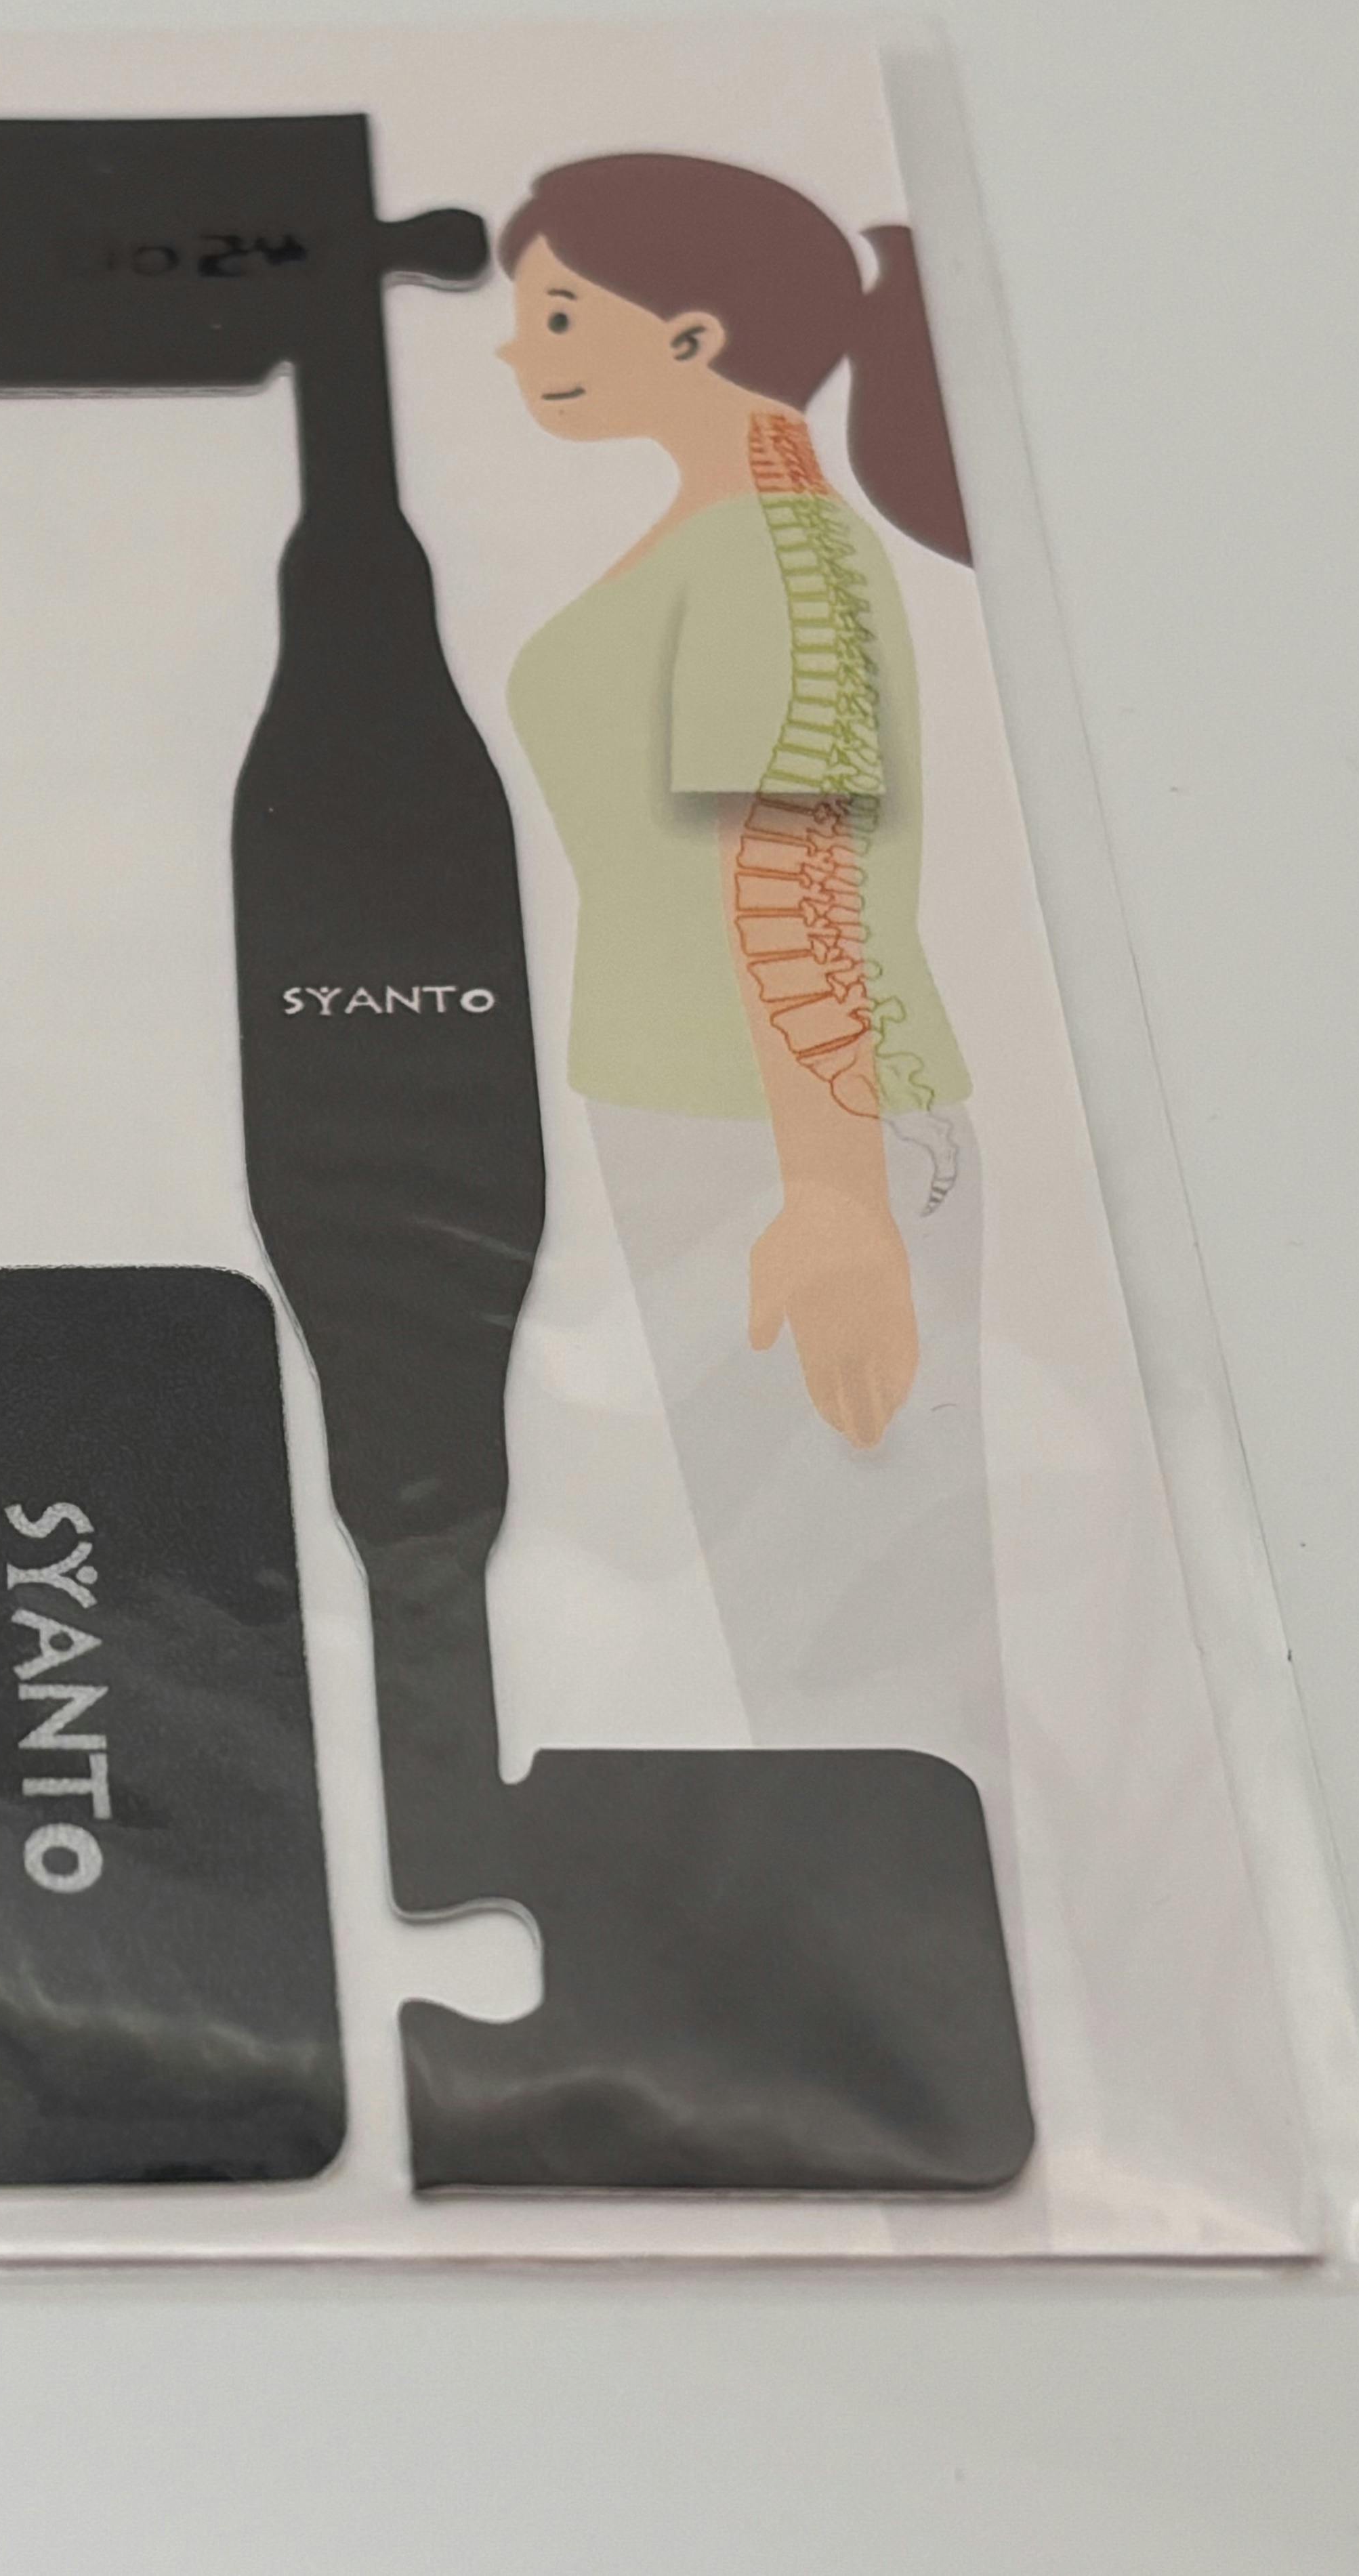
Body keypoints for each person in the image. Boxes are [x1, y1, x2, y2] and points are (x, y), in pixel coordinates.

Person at [495, 152, 1013, 1821]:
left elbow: (797, 869)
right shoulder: (725, 537)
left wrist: (834, 1196)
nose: (517, 346)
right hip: (703, 1129)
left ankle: (948, 1949)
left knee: (866, 1636)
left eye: (556, 312)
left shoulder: (775, 555)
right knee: (794, 1624)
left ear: (693, 335)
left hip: (783, 1139)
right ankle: (879, 1935)